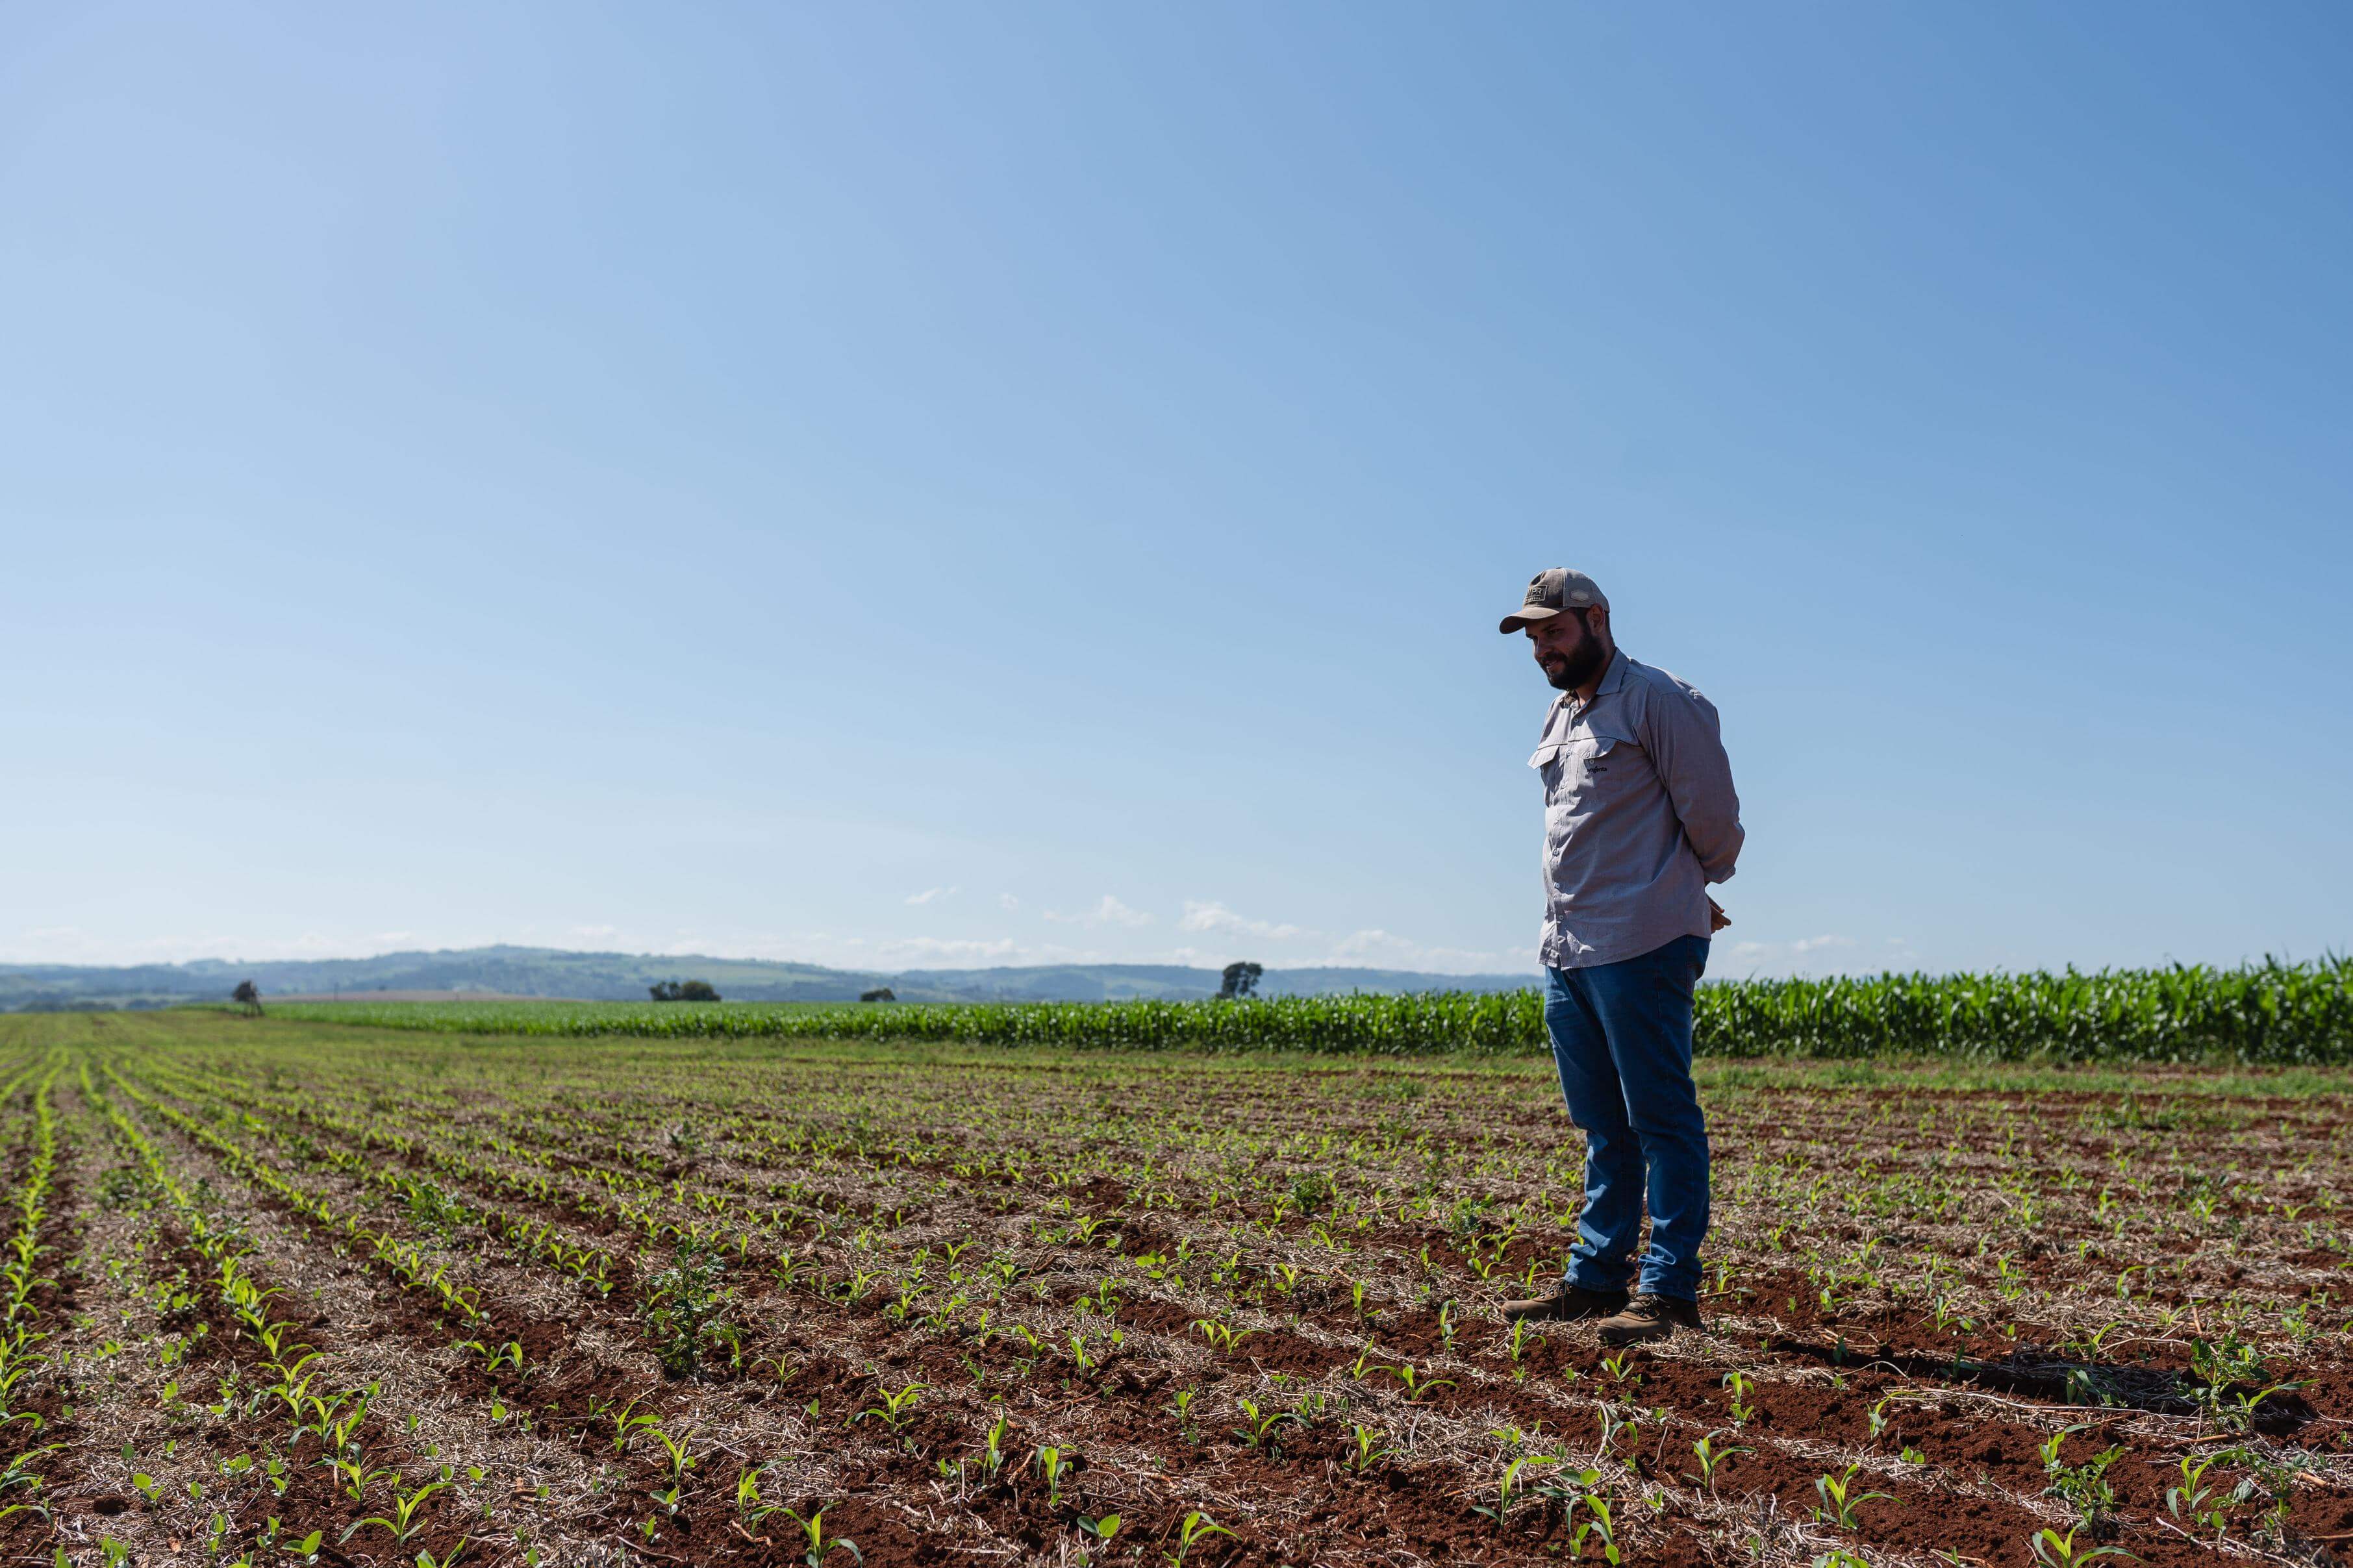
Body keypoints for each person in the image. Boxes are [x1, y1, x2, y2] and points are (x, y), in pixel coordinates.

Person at [1496, 568, 1744, 1346]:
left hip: (1641, 940)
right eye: (1533, 636)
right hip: (1566, 944)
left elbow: (1714, 821)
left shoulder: (1660, 701)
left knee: (1661, 1120)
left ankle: (1667, 1293)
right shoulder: (1562, 713)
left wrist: (1680, 889)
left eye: (1553, 630)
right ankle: (1594, 1280)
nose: (1542, 646)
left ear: (1596, 619)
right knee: (1604, 1127)